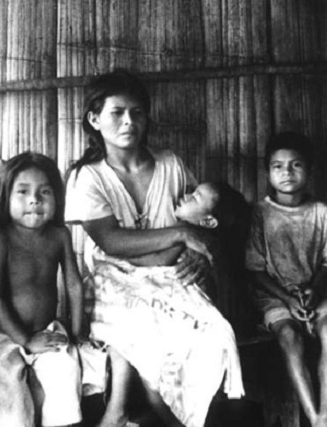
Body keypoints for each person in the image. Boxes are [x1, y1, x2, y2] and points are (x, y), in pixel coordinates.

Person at [64, 70, 243, 427]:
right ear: (94, 119)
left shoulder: (170, 164)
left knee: (214, 334)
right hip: (114, 281)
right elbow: (111, 240)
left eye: (137, 112)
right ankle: (136, 415)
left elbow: (203, 219)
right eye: (117, 112)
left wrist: (198, 251)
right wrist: (180, 235)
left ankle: (198, 417)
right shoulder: (88, 177)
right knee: (143, 334)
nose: (129, 121)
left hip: (172, 278)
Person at [0, 152, 84, 427]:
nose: (34, 199)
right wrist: (24, 339)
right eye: (23, 192)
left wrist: (77, 332)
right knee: (6, 389)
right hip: (1, 333)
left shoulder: (59, 235)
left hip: (46, 330)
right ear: (6, 197)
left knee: (66, 373)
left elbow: (73, 283)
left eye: (44, 191)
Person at [246, 132, 327, 427]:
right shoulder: (260, 213)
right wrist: (288, 299)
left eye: (296, 165)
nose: (287, 172)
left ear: (309, 170)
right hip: (274, 296)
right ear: (268, 172)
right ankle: (314, 417)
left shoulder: (321, 212)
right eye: (278, 166)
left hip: (314, 293)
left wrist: (314, 291)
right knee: (289, 335)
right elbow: (254, 269)